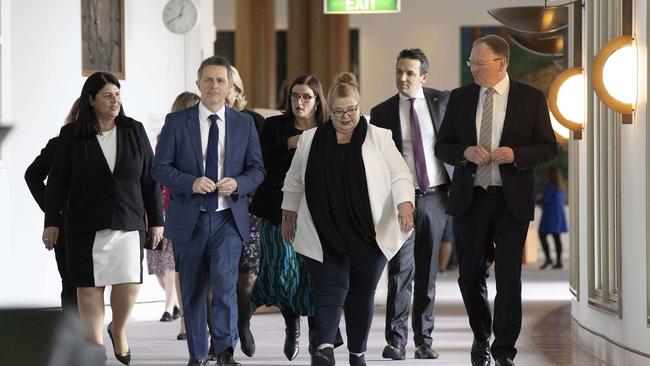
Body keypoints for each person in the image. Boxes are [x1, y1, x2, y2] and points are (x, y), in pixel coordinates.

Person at [435, 35, 558, 366]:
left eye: (479, 63)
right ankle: (481, 335)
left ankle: (504, 350)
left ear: (501, 63)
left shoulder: (530, 98)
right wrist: (464, 151)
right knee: (469, 275)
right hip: (471, 199)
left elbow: (548, 146)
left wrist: (516, 154)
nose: (473, 68)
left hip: (511, 200)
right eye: (470, 63)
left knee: (508, 279)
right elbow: (441, 145)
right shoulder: (460, 99)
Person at [282, 72, 415, 366]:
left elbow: (400, 174)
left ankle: (357, 353)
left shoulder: (379, 137)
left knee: (361, 294)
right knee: (329, 288)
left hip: (369, 231)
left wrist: (405, 205)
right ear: (329, 109)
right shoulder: (310, 139)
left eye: (352, 110)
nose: (346, 117)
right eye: (339, 111)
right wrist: (288, 215)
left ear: (359, 105)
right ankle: (325, 349)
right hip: (324, 229)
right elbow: (294, 182)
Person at [42, 72, 165, 366]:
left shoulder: (134, 130)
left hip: (128, 219)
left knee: (129, 284)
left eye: (118, 95)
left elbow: (150, 179)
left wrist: (156, 220)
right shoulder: (71, 135)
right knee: (88, 287)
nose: (115, 101)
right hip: (84, 223)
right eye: (108, 95)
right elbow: (57, 181)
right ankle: (94, 346)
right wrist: (52, 221)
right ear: (91, 100)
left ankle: (118, 329)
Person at [152, 55, 265, 366]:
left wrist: (239, 183)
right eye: (209, 79)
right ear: (198, 83)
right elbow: (159, 168)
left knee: (226, 287)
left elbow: (257, 169)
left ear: (229, 85)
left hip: (228, 217)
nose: (214, 85)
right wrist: (191, 182)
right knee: (192, 290)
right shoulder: (177, 122)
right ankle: (198, 355)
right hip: (190, 218)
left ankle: (225, 353)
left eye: (220, 80)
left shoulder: (244, 123)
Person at [369, 48, 450, 360]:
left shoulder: (441, 102)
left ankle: (424, 340)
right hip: (400, 201)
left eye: (410, 73)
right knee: (400, 271)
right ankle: (396, 341)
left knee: (428, 272)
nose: (403, 78)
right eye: (399, 71)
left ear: (424, 77)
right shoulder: (382, 112)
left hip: (435, 198)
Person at [249, 74, 330, 361]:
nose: (299, 102)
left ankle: (315, 339)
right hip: (276, 210)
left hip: (316, 216)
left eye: (306, 96)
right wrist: (289, 143)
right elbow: (258, 161)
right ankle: (291, 325)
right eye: (295, 96)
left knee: (311, 277)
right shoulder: (274, 126)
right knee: (285, 274)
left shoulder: (327, 129)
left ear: (317, 100)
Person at [222, 65, 264, 358]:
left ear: (238, 92)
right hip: (212, 210)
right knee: (218, 278)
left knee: (245, 278)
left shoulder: (253, 122)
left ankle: (243, 324)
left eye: (231, 89)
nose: (225, 95)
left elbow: (261, 168)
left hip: (246, 209)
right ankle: (220, 339)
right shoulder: (199, 122)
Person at [153, 92, 201, 341]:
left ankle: (200, 318)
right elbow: (160, 172)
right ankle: (184, 318)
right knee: (178, 268)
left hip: (208, 208)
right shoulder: (167, 135)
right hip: (177, 208)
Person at [25, 98, 80, 313]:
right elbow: (32, 175)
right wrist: (51, 210)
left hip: (96, 224)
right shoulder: (58, 144)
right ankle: (74, 338)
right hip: (66, 225)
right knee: (70, 283)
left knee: (88, 285)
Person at [538, 166, 567, 270]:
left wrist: (537, 200)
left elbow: (545, 200)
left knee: (542, 235)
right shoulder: (561, 186)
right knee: (556, 237)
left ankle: (548, 258)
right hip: (558, 215)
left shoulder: (550, 186)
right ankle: (559, 261)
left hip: (549, 215)